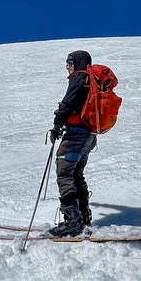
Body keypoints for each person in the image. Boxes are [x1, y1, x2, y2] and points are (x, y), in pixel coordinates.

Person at [47, 50, 98, 237]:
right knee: (76, 174)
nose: (67, 66)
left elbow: (68, 102)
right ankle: (83, 217)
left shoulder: (79, 77)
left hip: (76, 133)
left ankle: (72, 222)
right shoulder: (91, 80)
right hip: (89, 136)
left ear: (77, 62)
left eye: (69, 62)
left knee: (65, 173)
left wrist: (57, 124)